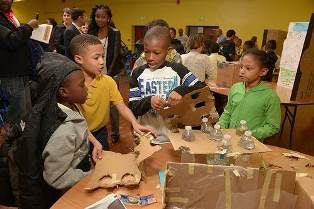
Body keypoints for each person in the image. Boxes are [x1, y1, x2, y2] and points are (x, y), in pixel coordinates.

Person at [5, 53, 102, 208]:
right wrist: (90, 175)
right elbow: (57, 177)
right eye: (81, 85)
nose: (86, 88)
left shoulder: (61, 105)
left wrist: (94, 142)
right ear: (63, 92)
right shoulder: (65, 130)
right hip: (62, 195)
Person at [70, 34, 151, 150]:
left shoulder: (108, 81)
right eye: (96, 57)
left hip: (100, 132)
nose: (102, 62)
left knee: (103, 163)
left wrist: (134, 122)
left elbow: (121, 106)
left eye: (103, 56)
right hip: (78, 133)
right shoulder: (72, 87)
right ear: (78, 59)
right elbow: (76, 122)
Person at [129, 26, 204, 117]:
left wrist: (181, 90)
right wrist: (149, 101)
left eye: (156, 53)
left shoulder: (178, 69)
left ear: (167, 51)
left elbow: (200, 87)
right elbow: (133, 106)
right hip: (147, 128)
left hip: (174, 128)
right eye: (147, 52)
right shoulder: (137, 73)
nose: (150, 58)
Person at [219, 48, 281, 141]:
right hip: (229, 140)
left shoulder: (270, 96)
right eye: (241, 67)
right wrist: (221, 125)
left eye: (248, 68)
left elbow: (273, 126)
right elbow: (227, 112)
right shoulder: (235, 88)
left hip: (251, 144)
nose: (242, 71)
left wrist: (251, 134)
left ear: (263, 71)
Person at [0, 0, 38, 133]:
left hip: (20, 71)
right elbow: (11, 40)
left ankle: (24, 144)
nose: (6, 0)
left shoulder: (9, 15)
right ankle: (12, 149)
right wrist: (28, 27)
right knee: (15, 115)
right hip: (10, 74)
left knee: (25, 113)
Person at [88, 4, 123, 142]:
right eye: (97, 16)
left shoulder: (115, 32)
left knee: (114, 105)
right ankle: (94, 129)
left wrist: (109, 75)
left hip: (111, 73)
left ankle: (115, 132)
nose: (100, 19)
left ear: (108, 18)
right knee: (95, 102)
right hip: (93, 74)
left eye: (103, 17)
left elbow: (115, 55)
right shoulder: (90, 33)